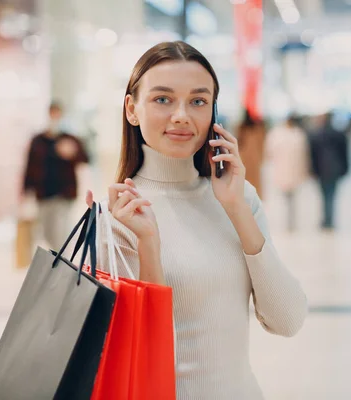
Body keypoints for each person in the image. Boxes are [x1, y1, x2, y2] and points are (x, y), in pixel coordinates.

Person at [85, 41, 307, 399]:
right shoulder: (119, 214)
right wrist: (149, 246)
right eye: (162, 99)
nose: (181, 116)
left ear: (213, 112)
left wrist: (236, 208)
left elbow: (287, 320)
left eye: (198, 101)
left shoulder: (239, 197)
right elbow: (140, 353)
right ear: (132, 109)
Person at [22, 101, 89, 250]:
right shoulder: (38, 140)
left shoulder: (70, 139)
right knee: (46, 232)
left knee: (60, 231)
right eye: (53, 113)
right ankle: (58, 257)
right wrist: (26, 191)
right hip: (43, 193)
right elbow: (30, 167)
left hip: (64, 194)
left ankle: (61, 262)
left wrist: (72, 152)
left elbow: (85, 158)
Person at [265, 114, 310, 232]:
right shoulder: (297, 135)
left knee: (289, 198)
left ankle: (290, 222)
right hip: (289, 170)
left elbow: (269, 152)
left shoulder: (277, 134)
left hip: (287, 170)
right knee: (289, 198)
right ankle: (289, 222)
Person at [309, 111, 350, 231]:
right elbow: (345, 153)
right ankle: (329, 220)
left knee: (324, 195)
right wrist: (345, 168)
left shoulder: (316, 135)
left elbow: (313, 155)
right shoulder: (339, 134)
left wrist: (313, 170)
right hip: (335, 170)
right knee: (331, 195)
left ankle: (327, 219)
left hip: (321, 170)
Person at [236, 108, 266, 198]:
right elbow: (261, 144)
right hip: (255, 158)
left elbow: (239, 142)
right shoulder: (257, 128)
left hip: (244, 157)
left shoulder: (241, 127)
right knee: (255, 182)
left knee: (245, 181)